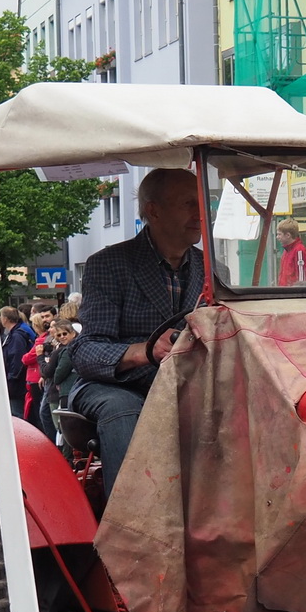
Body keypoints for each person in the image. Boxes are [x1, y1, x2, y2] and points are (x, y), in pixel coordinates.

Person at [71, 167, 210, 496]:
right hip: (116, 385)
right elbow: (85, 351)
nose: (202, 213)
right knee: (123, 410)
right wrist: (143, 350)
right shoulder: (109, 264)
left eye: (204, 202)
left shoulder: (214, 269)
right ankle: (130, 527)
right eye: (190, 203)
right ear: (154, 210)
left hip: (186, 384)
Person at [0, 307, 36, 418]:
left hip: (17, 382)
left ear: (5, 319)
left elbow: (16, 358)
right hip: (20, 379)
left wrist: (11, 377)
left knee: (17, 412)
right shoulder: (20, 331)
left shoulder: (16, 336)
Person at [276, 218, 306, 286]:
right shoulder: (286, 251)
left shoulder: (299, 250)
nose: (277, 237)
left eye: (279, 234)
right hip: (286, 292)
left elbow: (302, 279)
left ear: (288, 235)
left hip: (292, 293)